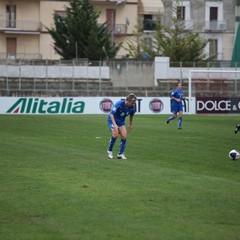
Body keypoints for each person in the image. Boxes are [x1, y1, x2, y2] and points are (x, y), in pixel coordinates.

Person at [107, 93, 137, 160]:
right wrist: (114, 125)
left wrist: (130, 124)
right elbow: (111, 114)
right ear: (128, 101)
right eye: (132, 103)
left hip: (120, 122)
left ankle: (120, 154)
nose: (133, 104)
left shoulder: (132, 107)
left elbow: (131, 115)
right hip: (112, 120)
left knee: (124, 136)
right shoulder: (119, 104)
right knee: (115, 134)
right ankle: (110, 151)